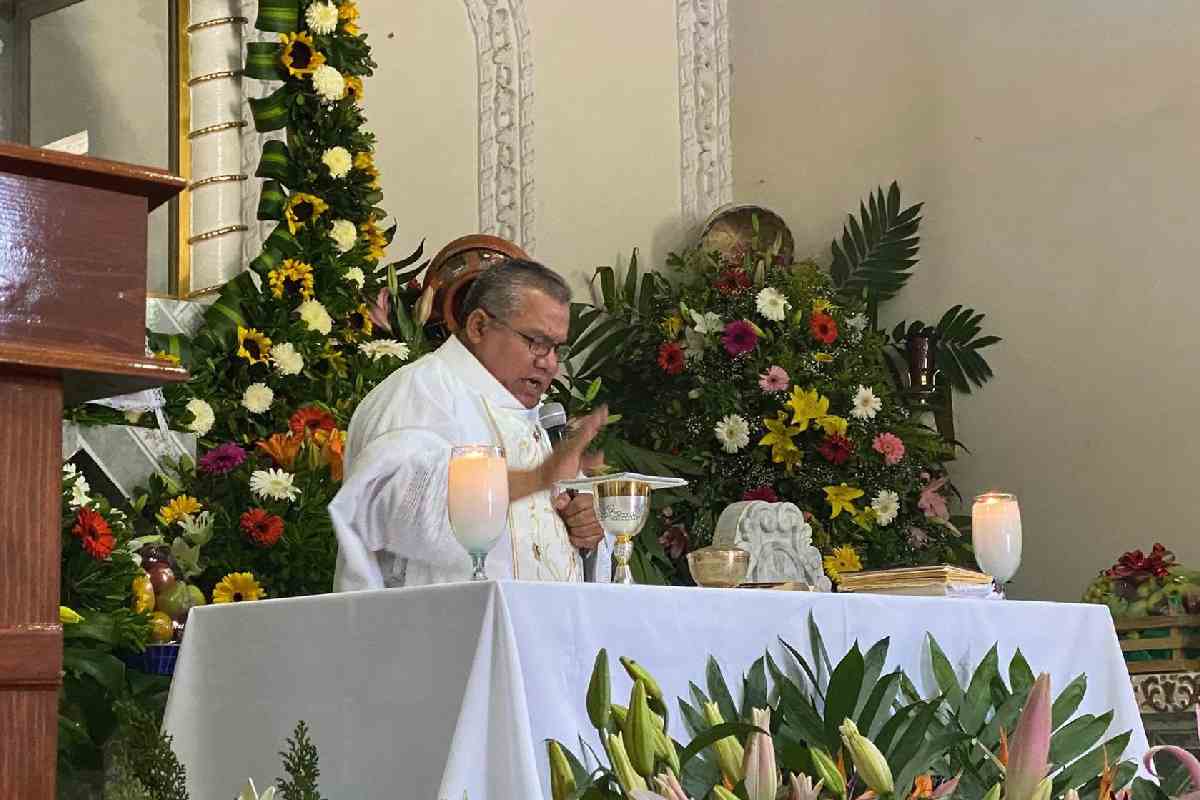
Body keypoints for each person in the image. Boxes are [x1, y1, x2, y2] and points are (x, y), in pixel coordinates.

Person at [329, 259, 610, 590]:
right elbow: (405, 517)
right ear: (478, 326)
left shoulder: (537, 418)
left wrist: (588, 529)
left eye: (556, 348)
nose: (549, 363)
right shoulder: (420, 394)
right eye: (536, 341)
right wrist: (536, 480)